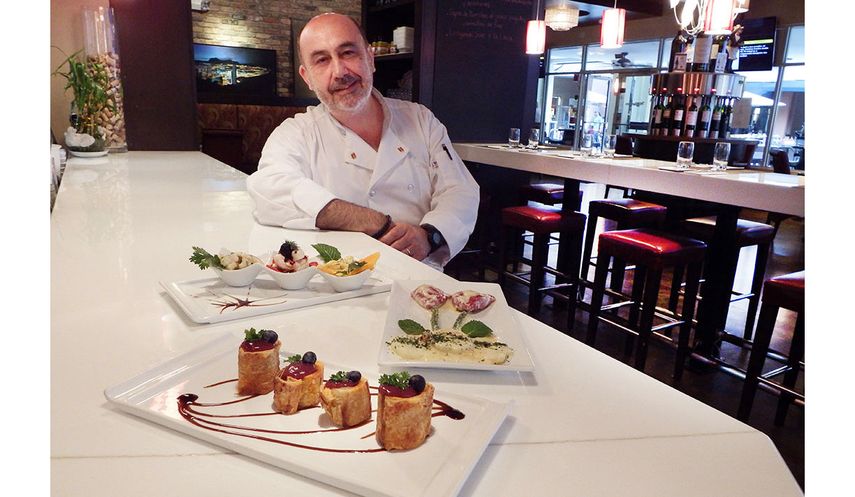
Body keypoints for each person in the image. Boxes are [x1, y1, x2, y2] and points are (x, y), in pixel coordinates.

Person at [246, 13, 480, 268]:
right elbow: (268, 189)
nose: (339, 71)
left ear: (370, 58)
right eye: (322, 60)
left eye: (348, 53)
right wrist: (372, 222)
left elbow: (460, 190)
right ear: (307, 78)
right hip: (337, 282)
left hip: (418, 273)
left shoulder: (421, 119)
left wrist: (429, 235)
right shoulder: (296, 133)